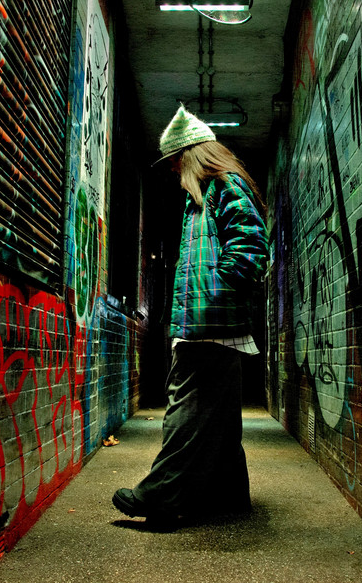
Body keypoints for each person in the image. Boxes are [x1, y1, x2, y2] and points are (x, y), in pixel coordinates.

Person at [112, 105, 268, 522]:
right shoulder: (204, 195)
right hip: (211, 323)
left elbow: (251, 245)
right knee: (220, 419)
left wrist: (218, 293)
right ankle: (229, 497)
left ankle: (160, 496)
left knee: (185, 411)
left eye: (175, 160)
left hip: (209, 323)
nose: (172, 169)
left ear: (192, 155)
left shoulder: (224, 185)